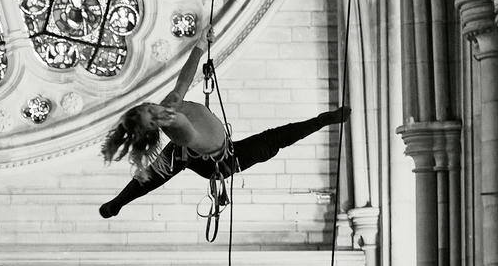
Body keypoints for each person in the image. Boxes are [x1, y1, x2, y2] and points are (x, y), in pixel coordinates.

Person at [99, 36, 349, 218]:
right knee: (275, 140)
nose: (154, 106)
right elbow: (185, 130)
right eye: (151, 112)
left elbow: (183, 80)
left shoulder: (168, 105)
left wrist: (199, 45)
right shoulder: (176, 126)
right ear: (155, 123)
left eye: (148, 106)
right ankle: (118, 202)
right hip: (221, 161)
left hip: (198, 147)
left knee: (159, 169)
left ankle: (118, 202)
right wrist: (169, 121)